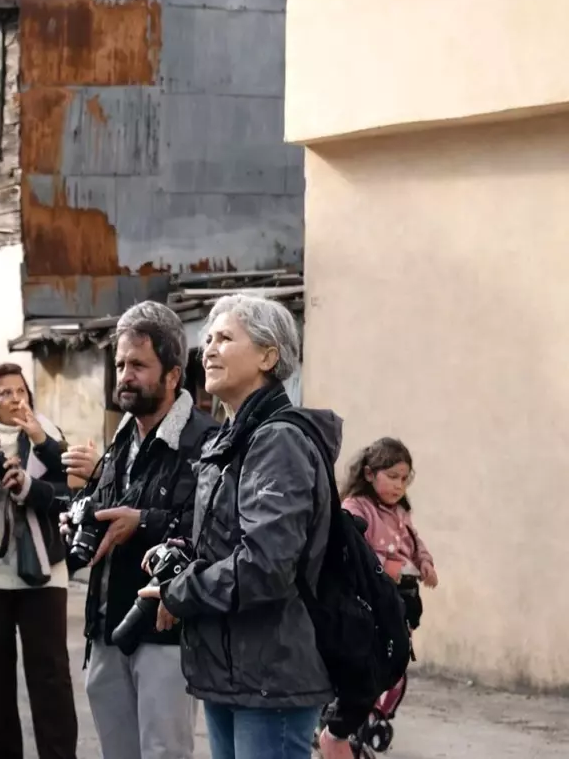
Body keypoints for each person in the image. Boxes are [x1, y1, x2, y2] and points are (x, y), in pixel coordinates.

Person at [137, 293, 341, 759]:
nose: (208, 349)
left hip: (271, 675)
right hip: (231, 669)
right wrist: (184, 552)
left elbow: (266, 565)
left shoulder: (278, 441)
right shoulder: (233, 438)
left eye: (225, 338)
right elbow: (229, 544)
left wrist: (181, 591)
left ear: (268, 356)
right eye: (207, 339)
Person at [62, 301, 216, 759]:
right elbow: (111, 508)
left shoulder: (205, 441)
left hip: (164, 628)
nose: (125, 376)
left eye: (138, 366)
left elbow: (212, 529)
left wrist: (143, 521)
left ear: (173, 375)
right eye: (120, 365)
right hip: (106, 623)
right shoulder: (121, 438)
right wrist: (80, 514)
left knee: (164, 752)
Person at [0, 363, 77, 759]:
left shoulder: (47, 434)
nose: (15, 400)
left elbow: (69, 493)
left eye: (20, 391)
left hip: (43, 571)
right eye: (4, 394)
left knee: (50, 674)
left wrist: (29, 486)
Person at [318, 438, 437, 759]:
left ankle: (372, 721)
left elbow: (415, 543)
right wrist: (386, 567)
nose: (399, 485)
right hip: (370, 605)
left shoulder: (400, 512)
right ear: (370, 474)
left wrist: (425, 563)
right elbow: (353, 551)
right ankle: (342, 726)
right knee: (367, 668)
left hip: (402, 601)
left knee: (395, 667)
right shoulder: (356, 508)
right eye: (393, 476)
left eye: (405, 479)